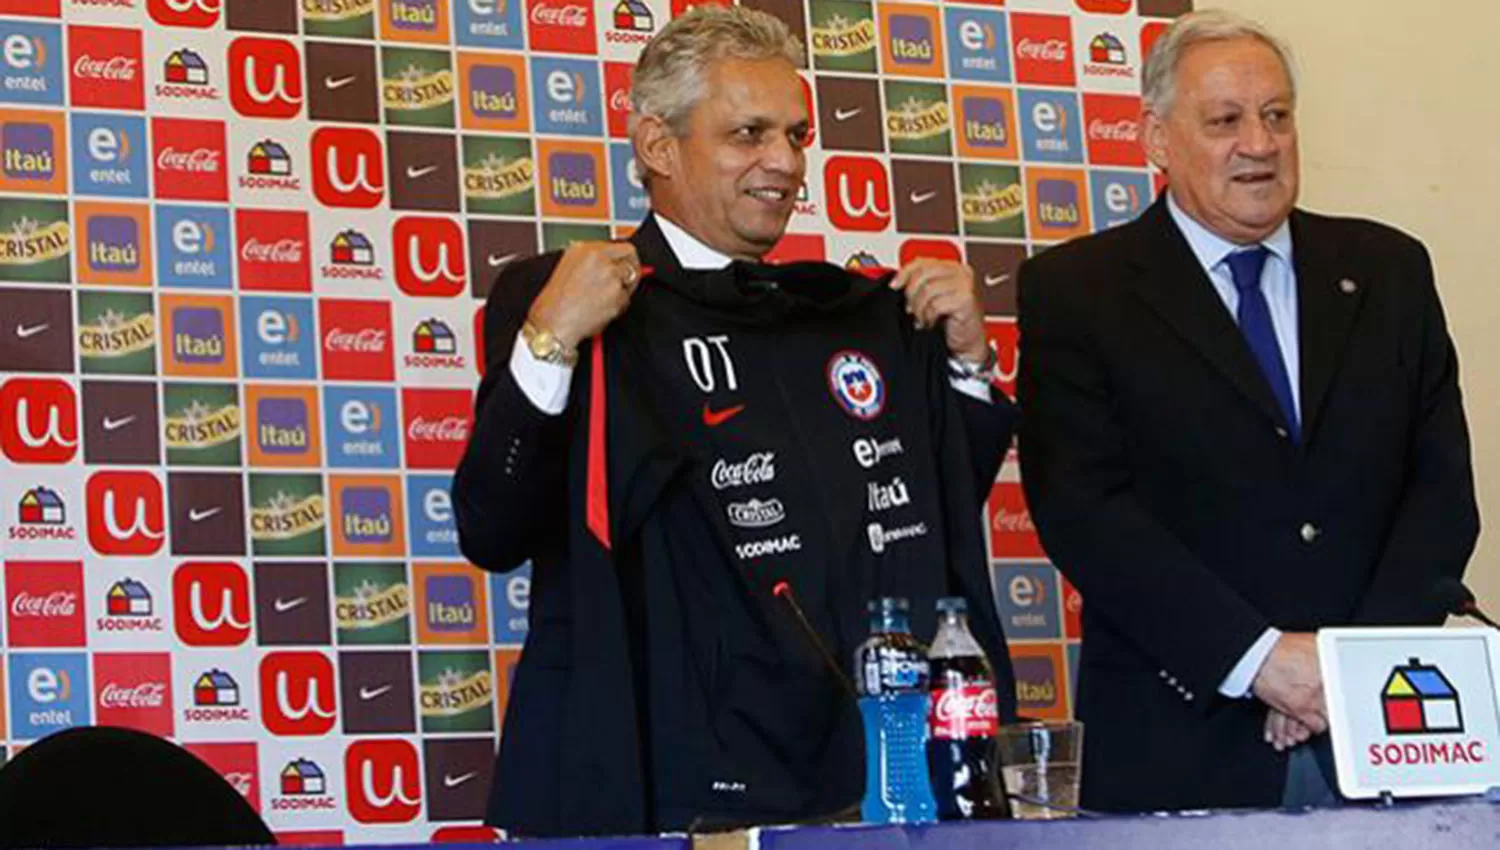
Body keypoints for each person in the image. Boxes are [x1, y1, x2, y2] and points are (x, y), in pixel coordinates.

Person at [452, 6, 1018, 837]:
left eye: (796, 135)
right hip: (654, 776)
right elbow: (491, 528)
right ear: (656, 146)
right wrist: (552, 338)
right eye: (749, 134)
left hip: (855, 775)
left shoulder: (839, 313)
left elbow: (923, 516)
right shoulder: (565, 299)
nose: (784, 163)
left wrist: (965, 362)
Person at [1017, 9, 1478, 813]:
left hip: (1389, 735)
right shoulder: (1078, 292)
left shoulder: (1390, 272)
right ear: (1156, 139)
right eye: (1225, 121)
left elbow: (1441, 493)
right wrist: (1260, 661)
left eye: (1276, 116)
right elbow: (1082, 510)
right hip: (1177, 741)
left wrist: (1341, 673)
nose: (1259, 145)